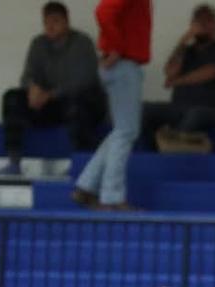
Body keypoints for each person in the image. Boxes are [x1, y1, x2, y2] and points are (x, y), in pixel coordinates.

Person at [1, 1, 103, 172]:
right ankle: (14, 161)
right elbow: (27, 75)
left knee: (78, 103)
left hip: (81, 103)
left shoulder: (82, 43)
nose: (50, 26)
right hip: (50, 104)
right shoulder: (38, 43)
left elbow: (84, 80)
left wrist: (51, 94)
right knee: (11, 97)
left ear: (67, 22)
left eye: (55, 21)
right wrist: (33, 89)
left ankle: (80, 164)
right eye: (46, 22)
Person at [71, 0, 152, 210]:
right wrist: (116, 46)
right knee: (126, 132)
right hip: (124, 63)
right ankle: (112, 197)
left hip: (121, 63)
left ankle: (86, 186)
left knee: (122, 131)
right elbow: (103, 11)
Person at [141, 3, 215, 152]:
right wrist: (183, 41)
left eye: (207, 21)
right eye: (198, 21)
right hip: (180, 107)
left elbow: (210, 72)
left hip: (210, 109)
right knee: (143, 110)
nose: (202, 25)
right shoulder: (187, 52)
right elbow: (170, 72)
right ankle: (156, 151)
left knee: (194, 116)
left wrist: (177, 81)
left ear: (214, 25)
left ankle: (172, 155)